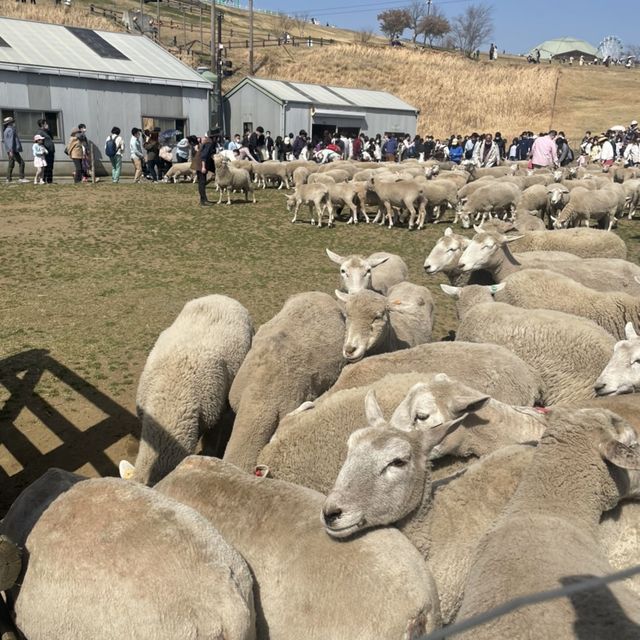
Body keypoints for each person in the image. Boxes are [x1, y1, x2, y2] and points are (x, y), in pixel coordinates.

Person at [194, 128, 217, 206]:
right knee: (202, 182)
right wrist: (203, 167)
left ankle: (203, 200)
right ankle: (203, 200)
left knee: (202, 181)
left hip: (202, 162)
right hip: (201, 163)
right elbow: (204, 155)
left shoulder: (209, 141)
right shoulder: (209, 143)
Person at [3, 116, 27, 183]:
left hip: (9, 150)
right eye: (12, 122)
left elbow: (7, 141)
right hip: (13, 150)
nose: (13, 123)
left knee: (11, 164)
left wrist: (9, 150)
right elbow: (10, 141)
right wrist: (11, 150)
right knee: (22, 163)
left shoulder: (5, 130)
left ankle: (8, 179)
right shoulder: (11, 130)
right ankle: (21, 178)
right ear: (10, 123)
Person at [36, 118, 55, 183]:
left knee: (50, 166)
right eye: (45, 123)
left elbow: (52, 137)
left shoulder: (46, 131)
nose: (47, 124)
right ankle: (43, 180)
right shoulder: (40, 132)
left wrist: (48, 130)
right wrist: (43, 149)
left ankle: (50, 180)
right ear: (42, 124)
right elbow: (38, 142)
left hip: (50, 151)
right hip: (46, 152)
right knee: (46, 166)